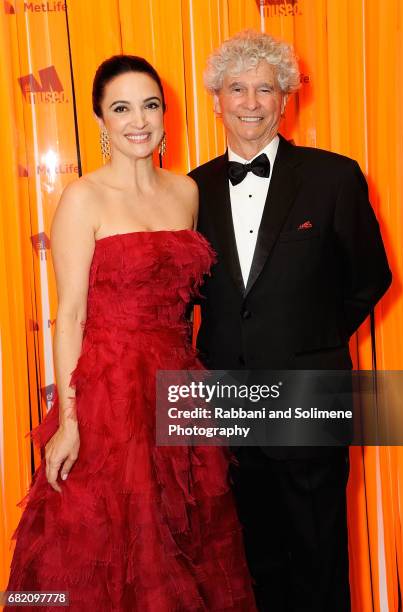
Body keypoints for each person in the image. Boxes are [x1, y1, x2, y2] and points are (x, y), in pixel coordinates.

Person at [6, 55, 256, 611]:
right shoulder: (83, 198)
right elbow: (69, 315)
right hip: (111, 395)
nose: (137, 120)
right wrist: (70, 422)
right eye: (121, 108)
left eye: (149, 105)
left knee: (190, 539)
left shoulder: (186, 192)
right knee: (110, 544)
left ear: (166, 114)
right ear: (100, 121)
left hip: (180, 388)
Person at [189, 30, 392, 612]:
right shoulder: (188, 190)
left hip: (309, 393)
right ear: (216, 99)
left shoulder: (334, 177)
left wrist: (310, 341)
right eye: (237, 88)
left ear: (287, 100)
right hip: (223, 401)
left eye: (266, 89)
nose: (251, 102)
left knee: (319, 557)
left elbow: (369, 279)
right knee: (247, 563)